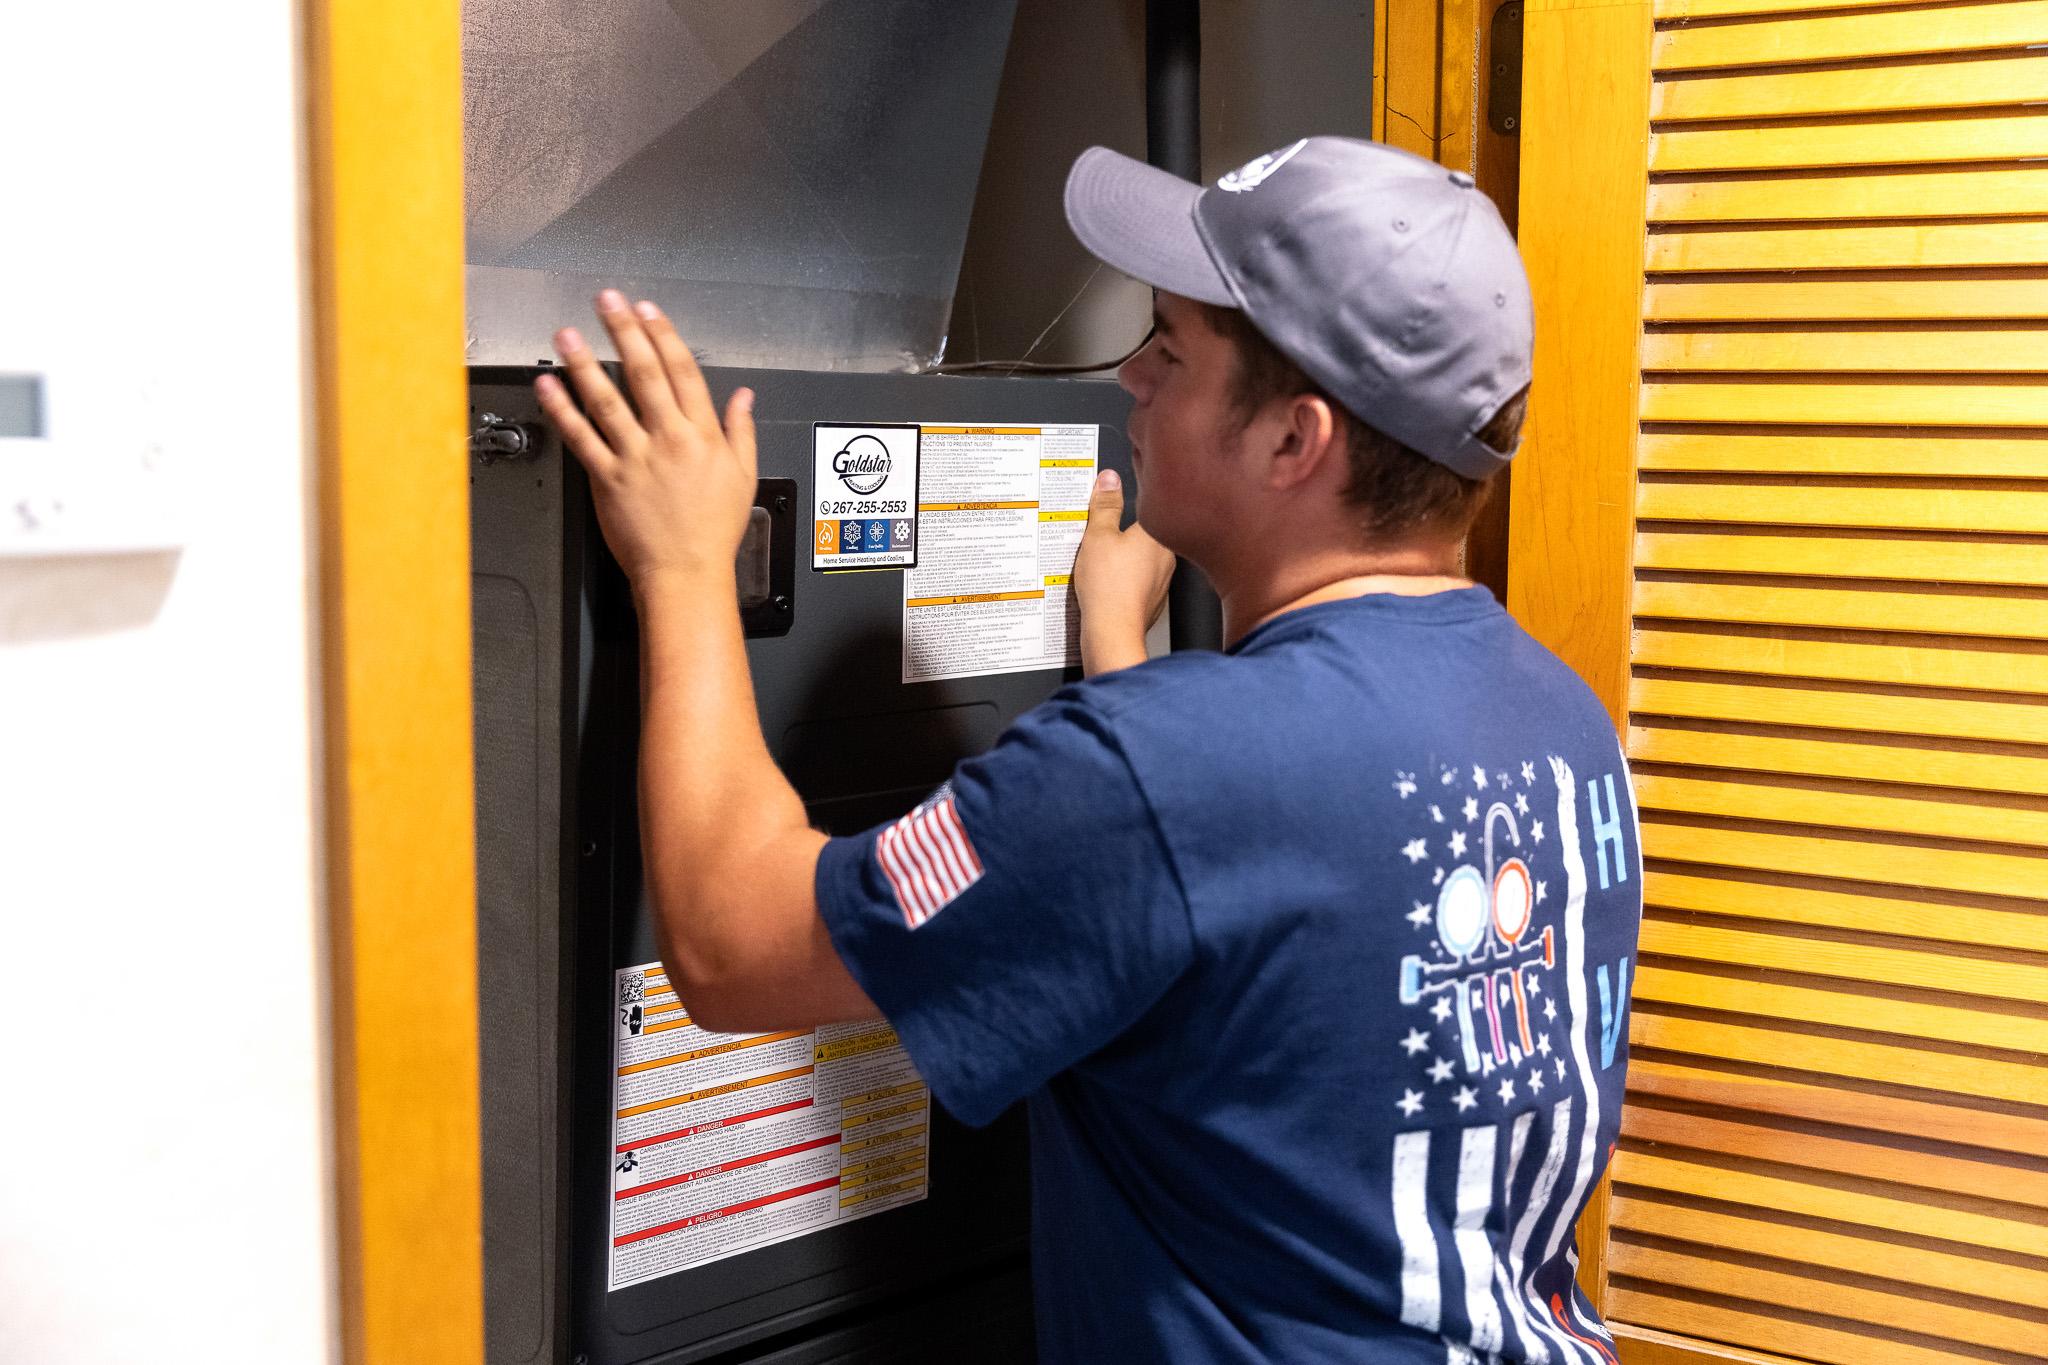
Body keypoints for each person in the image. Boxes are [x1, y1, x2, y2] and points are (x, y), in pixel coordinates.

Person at [535, 135, 1643, 1365]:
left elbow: (733, 943)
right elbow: (1230, 919)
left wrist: (686, 564)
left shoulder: (1159, 772)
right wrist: (1116, 640)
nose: (1127, 374)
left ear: (1293, 441)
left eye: (1170, 347)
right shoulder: (1557, 725)